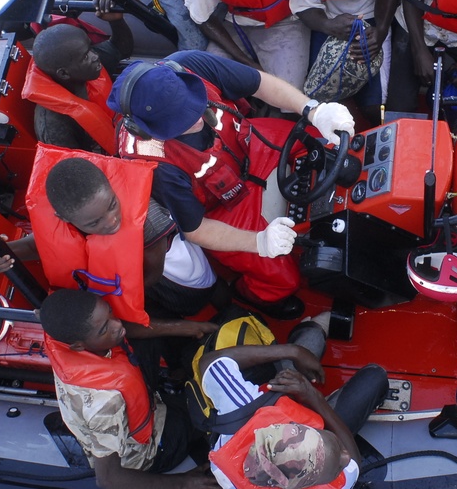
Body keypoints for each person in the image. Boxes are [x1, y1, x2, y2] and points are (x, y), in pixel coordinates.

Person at [107, 51, 355, 320]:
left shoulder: (190, 64)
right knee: (282, 278)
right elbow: (196, 229)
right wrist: (259, 242)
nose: (198, 119)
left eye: (193, 105)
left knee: (326, 141)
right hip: (223, 207)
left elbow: (259, 83)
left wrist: (314, 110)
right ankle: (250, 293)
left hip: (255, 147)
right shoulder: (154, 165)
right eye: (180, 120)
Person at [0, 150, 221, 345]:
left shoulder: (148, 220)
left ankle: (188, 327)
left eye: (113, 205)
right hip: (131, 274)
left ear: (111, 188)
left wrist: (98, 296)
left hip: (180, 283)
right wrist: (0, 254)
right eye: (94, 223)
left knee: (99, 318)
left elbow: (151, 276)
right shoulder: (74, 214)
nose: (111, 221)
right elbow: (40, 246)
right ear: (64, 219)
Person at [40, 289, 220, 489]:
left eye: (110, 312)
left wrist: (189, 327)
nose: (117, 324)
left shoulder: (67, 336)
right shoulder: (104, 405)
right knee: (206, 409)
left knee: (146, 337)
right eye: (104, 329)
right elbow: (108, 479)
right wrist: (185, 482)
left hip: (135, 395)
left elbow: (122, 328)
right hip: (152, 449)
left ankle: (177, 372)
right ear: (78, 346)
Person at [199, 316, 387, 489]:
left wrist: (293, 352)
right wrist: (314, 398)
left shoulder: (241, 406)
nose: (345, 458)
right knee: (375, 378)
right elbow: (353, 461)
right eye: (337, 467)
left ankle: (307, 331)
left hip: (271, 402)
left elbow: (209, 364)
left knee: (311, 337)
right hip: (306, 403)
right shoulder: (337, 483)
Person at [22, 15, 132, 154]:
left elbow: (121, 49)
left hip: (124, 127)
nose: (95, 56)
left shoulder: (81, 60)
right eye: (86, 56)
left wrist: (116, 20)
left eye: (91, 48)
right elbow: (78, 167)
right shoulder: (54, 126)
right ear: (64, 74)